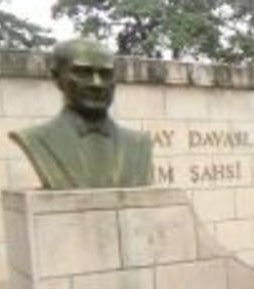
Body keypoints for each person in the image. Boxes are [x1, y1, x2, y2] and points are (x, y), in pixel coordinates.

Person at [9, 38, 152, 189]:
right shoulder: (36, 140)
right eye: (83, 73)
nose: (97, 84)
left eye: (106, 74)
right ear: (56, 77)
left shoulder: (139, 144)